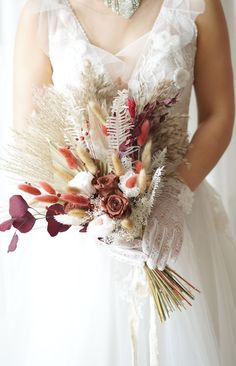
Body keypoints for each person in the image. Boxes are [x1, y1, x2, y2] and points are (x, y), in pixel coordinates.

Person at [1, 0, 235, 365]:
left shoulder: (198, 4)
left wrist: (171, 197)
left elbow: (219, 113)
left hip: (177, 223)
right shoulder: (43, 11)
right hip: (79, 250)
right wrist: (94, 207)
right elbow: (30, 136)